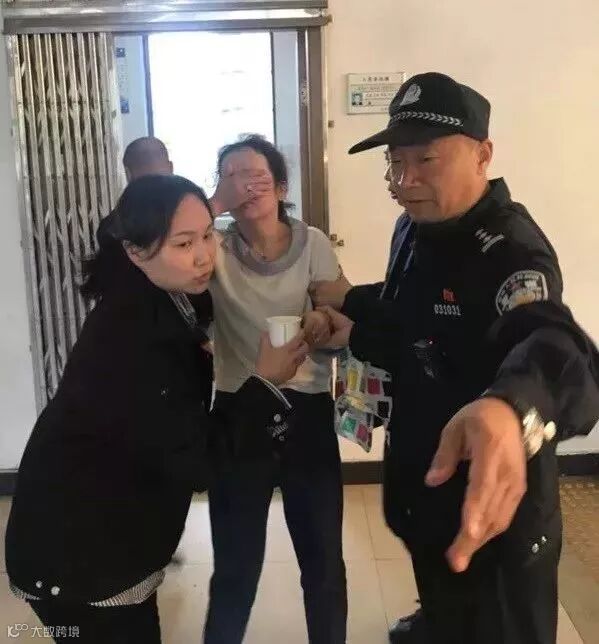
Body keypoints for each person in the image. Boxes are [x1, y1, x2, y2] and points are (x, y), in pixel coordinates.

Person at [310, 72, 599, 644]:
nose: (404, 181)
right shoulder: (413, 226)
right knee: (441, 596)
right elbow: (412, 315)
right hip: (425, 479)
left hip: (490, 506)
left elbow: (552, 342)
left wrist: (511, 406)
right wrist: (352, 314)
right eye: (395, 163)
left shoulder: (510, 249)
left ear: (482, 154)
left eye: (425, 159)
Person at [5, 174, 308, 643]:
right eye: (184, 243)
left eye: (207, 235)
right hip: (80, 558)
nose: (204, 255)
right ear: (135, 249)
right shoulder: (135, 340)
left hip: (100, 533)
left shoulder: (152, 290)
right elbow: (200, 463)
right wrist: (265, 382)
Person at [202, 135, 347, 644]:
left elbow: (340, 309)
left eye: (256, 175)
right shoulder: (212, 245)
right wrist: (215, 203)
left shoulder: (314, 242)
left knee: (323, 562)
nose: (244, 185)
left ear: (282, 187)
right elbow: (152, 241)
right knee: (236, 566)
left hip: (306, 410)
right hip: (240, 411)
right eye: (230, 176)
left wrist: (322, 318)